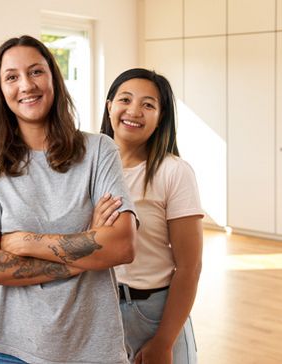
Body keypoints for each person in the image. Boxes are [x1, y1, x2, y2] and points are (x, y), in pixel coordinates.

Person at [0, 35, 138, 364]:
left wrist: (25, 241)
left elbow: (122, 245)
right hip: (7, 350)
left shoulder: (99, 151)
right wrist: (84, 250)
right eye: (12, 77)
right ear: (0, 91)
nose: (26, 85)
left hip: (93, 349)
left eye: (36, 72)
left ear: (53, 78)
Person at [99, 68, 203, 364]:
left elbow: (189, 267)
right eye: (125, 99)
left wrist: (164, 341)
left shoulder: (174, 172)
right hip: (98, 309)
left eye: (148, 105)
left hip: (155, 313)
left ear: (161, 118)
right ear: (109, 107)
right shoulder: (87, 167)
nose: (134, 111)